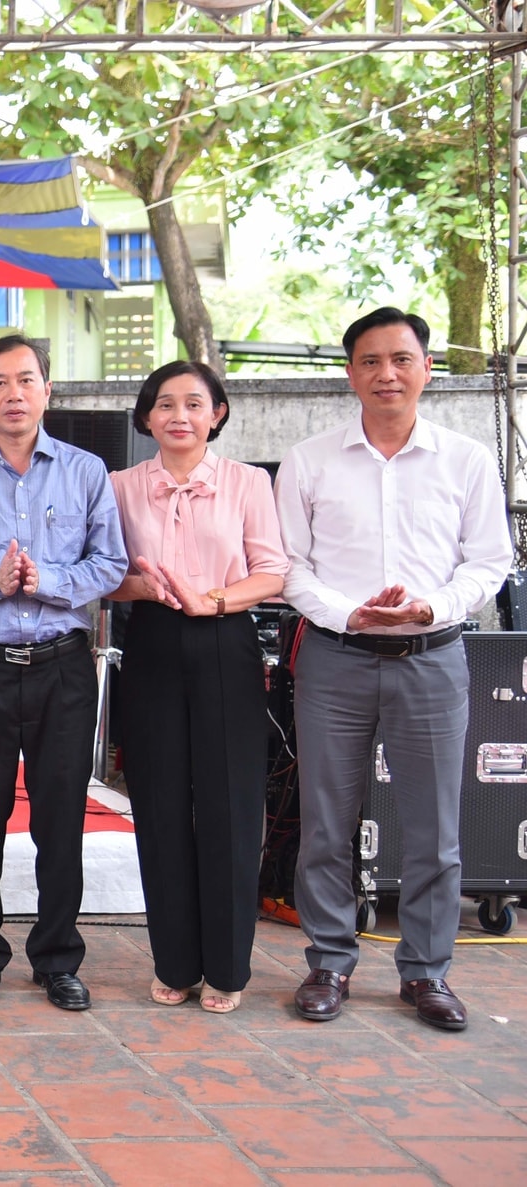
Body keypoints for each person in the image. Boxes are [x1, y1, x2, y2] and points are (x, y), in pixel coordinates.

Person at [277, 307, 511, 1032]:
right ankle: (329, 961)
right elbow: (289, 565)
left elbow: (490, 561)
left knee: (434, 829)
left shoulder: (466, 459)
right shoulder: (309, 460)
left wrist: (431, 607)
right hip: (335, 660)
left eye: (401, 359)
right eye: (371, 361)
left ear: (427, 369)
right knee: (326, 823)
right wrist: (350, 615)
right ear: (350, 373)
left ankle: (426, 971)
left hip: (432, 660)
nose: (387, 373)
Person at [0, 334, 127, 1011]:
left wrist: (50, 582)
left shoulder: (86, 471)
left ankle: (58, 958)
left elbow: (111, 563)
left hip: (61, 670)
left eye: (27, 380)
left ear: (47, 390)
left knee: (61, 821)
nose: (15, 394)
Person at [107, 362, 288, 1014]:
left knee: (229, 804)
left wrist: (212, 599)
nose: (178, 415)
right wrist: (142, 585)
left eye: (193, 403)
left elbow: (273, 572)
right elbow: (103, 574)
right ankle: (175, 962)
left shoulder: (248, 481)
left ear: (218, 413)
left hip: (224, 637)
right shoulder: (119, 486)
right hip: (151, 640)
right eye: (164, 403)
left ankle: (227, 967)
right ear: (146, 417)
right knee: (158, 804)